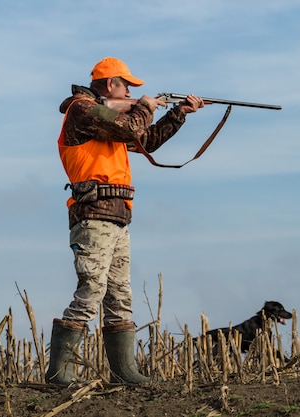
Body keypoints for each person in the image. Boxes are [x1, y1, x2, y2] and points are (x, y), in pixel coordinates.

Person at [45, 57, 204, 385]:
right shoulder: (83, 109)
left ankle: (124, 372)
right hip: (93, 215)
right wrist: (145, 106)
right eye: (126, 84)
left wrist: (178, 114)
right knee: (92, 288)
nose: (131, 89)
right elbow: (130, 126)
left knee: (120, 296)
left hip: (117, 215)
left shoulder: (106, 119)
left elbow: (146, 139)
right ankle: (60, 372)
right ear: (109, 84)